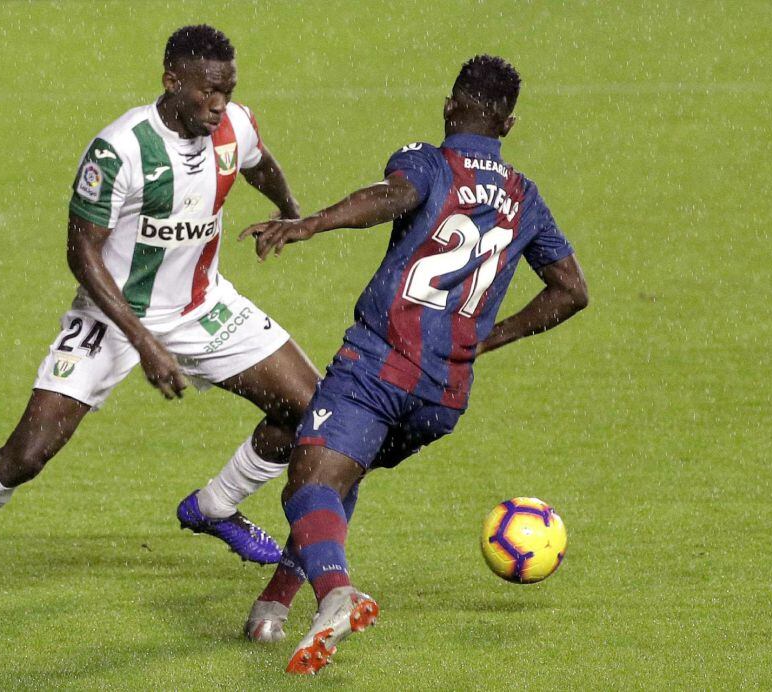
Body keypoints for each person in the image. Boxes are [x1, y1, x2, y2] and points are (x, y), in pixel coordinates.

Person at [0, 25, 321, 607]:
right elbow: (81, 253)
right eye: (208, 92)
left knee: (308, 407)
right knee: (26, 454)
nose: (219, 105)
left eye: (228, 91)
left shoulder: (233, 126)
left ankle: (213, 507)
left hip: (200, 304)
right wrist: (145, 342)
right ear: (171, 80)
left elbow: (257, 161)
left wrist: (289, 212)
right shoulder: (121, 150)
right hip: (112, 313)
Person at [237, 55, 590, 674]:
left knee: (311, 483)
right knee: (339, 476)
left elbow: (394, 196)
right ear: (507, 124)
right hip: (443, 397)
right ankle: (272, 608)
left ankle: (336, 595)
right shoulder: (524, 197)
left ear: (450, 106)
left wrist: (313, 222)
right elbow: (571, 290)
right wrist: (487, 338)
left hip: (380, 364)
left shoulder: (430, 161)